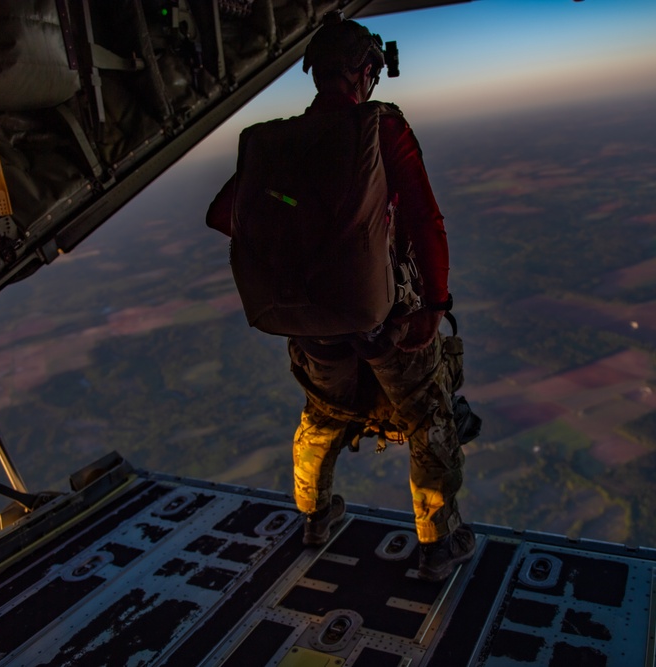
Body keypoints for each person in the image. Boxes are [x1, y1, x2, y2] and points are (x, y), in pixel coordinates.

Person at [206, 11, 476, 581]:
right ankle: (436, 545)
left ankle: (314, 519)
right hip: (390, 318)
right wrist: (434, 304)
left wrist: (295, 230)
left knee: (324, 413)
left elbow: (222, 214)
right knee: (428, 419)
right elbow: (426, 220)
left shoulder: (277, 142)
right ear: (365, 71)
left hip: (311, 322)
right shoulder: (380, 127)